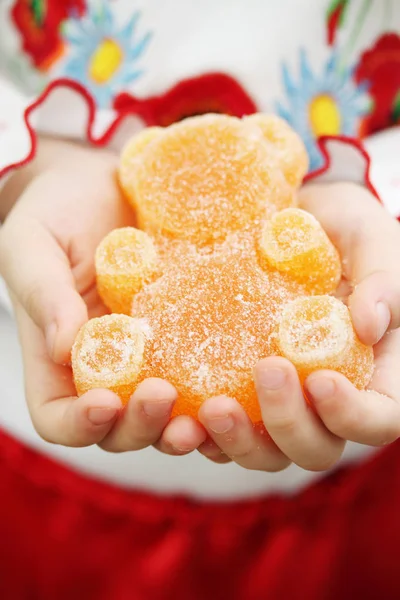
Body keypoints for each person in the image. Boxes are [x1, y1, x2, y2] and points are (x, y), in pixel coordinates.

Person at [1, 1, 400, 598]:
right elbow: (126, 270)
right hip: (41, 461)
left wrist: (378, 194)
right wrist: (31, 168)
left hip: (346, 495)